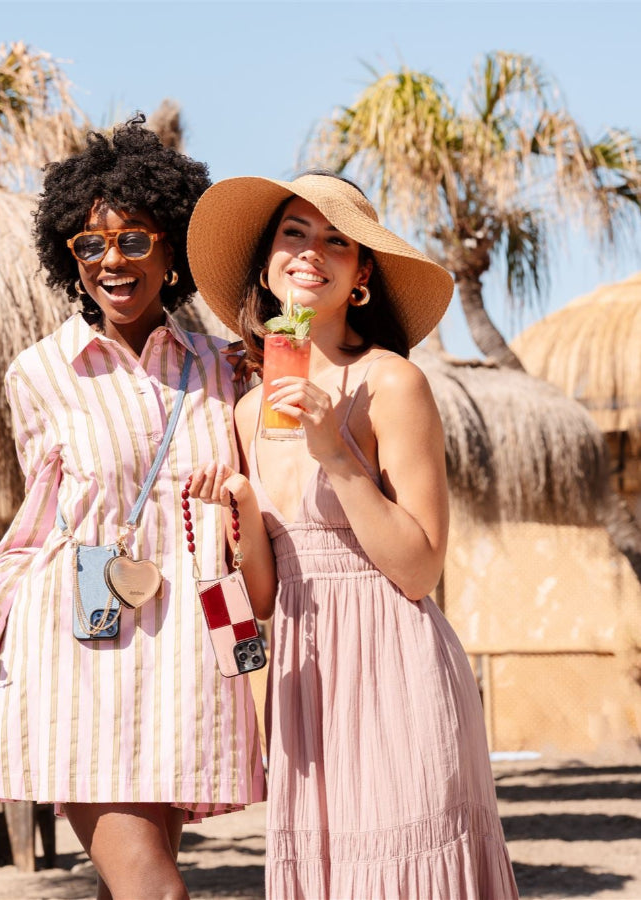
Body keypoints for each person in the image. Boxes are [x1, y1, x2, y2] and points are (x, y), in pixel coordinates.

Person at [0, 117, 265, 900]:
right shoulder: (40, 375)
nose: (112, 260)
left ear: (173, 251)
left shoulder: (226, 369)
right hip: (81, 649)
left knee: (132, 887)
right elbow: (39, 528)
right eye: (90, 245)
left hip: (189, 651)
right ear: (68, 257)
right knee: (157, 891)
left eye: (134, 239)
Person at [185, 172, 519, 898]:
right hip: (305, 679)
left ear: (361, 274)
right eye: (294, 234)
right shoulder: (246, 412)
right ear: (267, 268)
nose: (311, 251)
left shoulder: (392, 383)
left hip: (396, 666)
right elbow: (265, 599)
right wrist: (240, 508)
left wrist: (335, 452)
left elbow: (419, 571)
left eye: (336, 241)